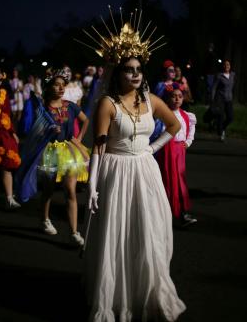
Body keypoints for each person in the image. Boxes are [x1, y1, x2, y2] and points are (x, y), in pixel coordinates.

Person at [84, 20, 186, 321]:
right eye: (129, 69)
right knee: (117, 234)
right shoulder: (108, 104)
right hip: (116, 171)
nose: (136, 74)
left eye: (139, 69)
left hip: (145, 170)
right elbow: (99, 147)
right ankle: (114, 298)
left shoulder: (152, 101)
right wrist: (91, 184)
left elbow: (174, 125)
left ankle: (149, 292)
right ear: (118, 73)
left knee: (149, 232)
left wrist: (152, 149)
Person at [16, 70, 90, 245]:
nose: (61, 88)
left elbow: (85, 120)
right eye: (57, 84)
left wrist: (79, 139)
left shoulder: (70, 105)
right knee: (48, 190)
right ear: (49, 87)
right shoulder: (43, 107)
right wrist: (48, 131)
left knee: (70, 190)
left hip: (69, 150)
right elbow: (35, 130)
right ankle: (45, 219)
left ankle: (74, 232)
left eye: (63, 85)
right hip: (49, 152)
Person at [155, 82, 197, 226]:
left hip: (179, 151)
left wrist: (188, 141)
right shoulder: (163, 115)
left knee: (179, 180)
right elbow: (157, 132)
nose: (177, 99)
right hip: (166, 150)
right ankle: (166, 213)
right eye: (173, 96)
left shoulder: (187, 116)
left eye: (180, 96)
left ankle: (182, 212)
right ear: (168, 98)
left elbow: (191, 129)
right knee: (167, 179)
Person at [0, 67, 21, 208]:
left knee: (7, 164)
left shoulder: (3, 93)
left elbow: (7, 115)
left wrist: (13, 132)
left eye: (0, 77)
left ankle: (9, 198)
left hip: (3, 133)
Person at [211, 59, 235, 141]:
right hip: (220, 99)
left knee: (230, 117)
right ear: (223, 66)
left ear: (230, 66)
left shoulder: (232, 75)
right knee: (221, 116)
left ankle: (223, 128)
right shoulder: (219, 75)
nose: (226, 66)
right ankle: (221, 133)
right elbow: (214, 88)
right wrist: (212, 99)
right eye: (225, 65)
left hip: (229, 99)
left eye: (228, 65)